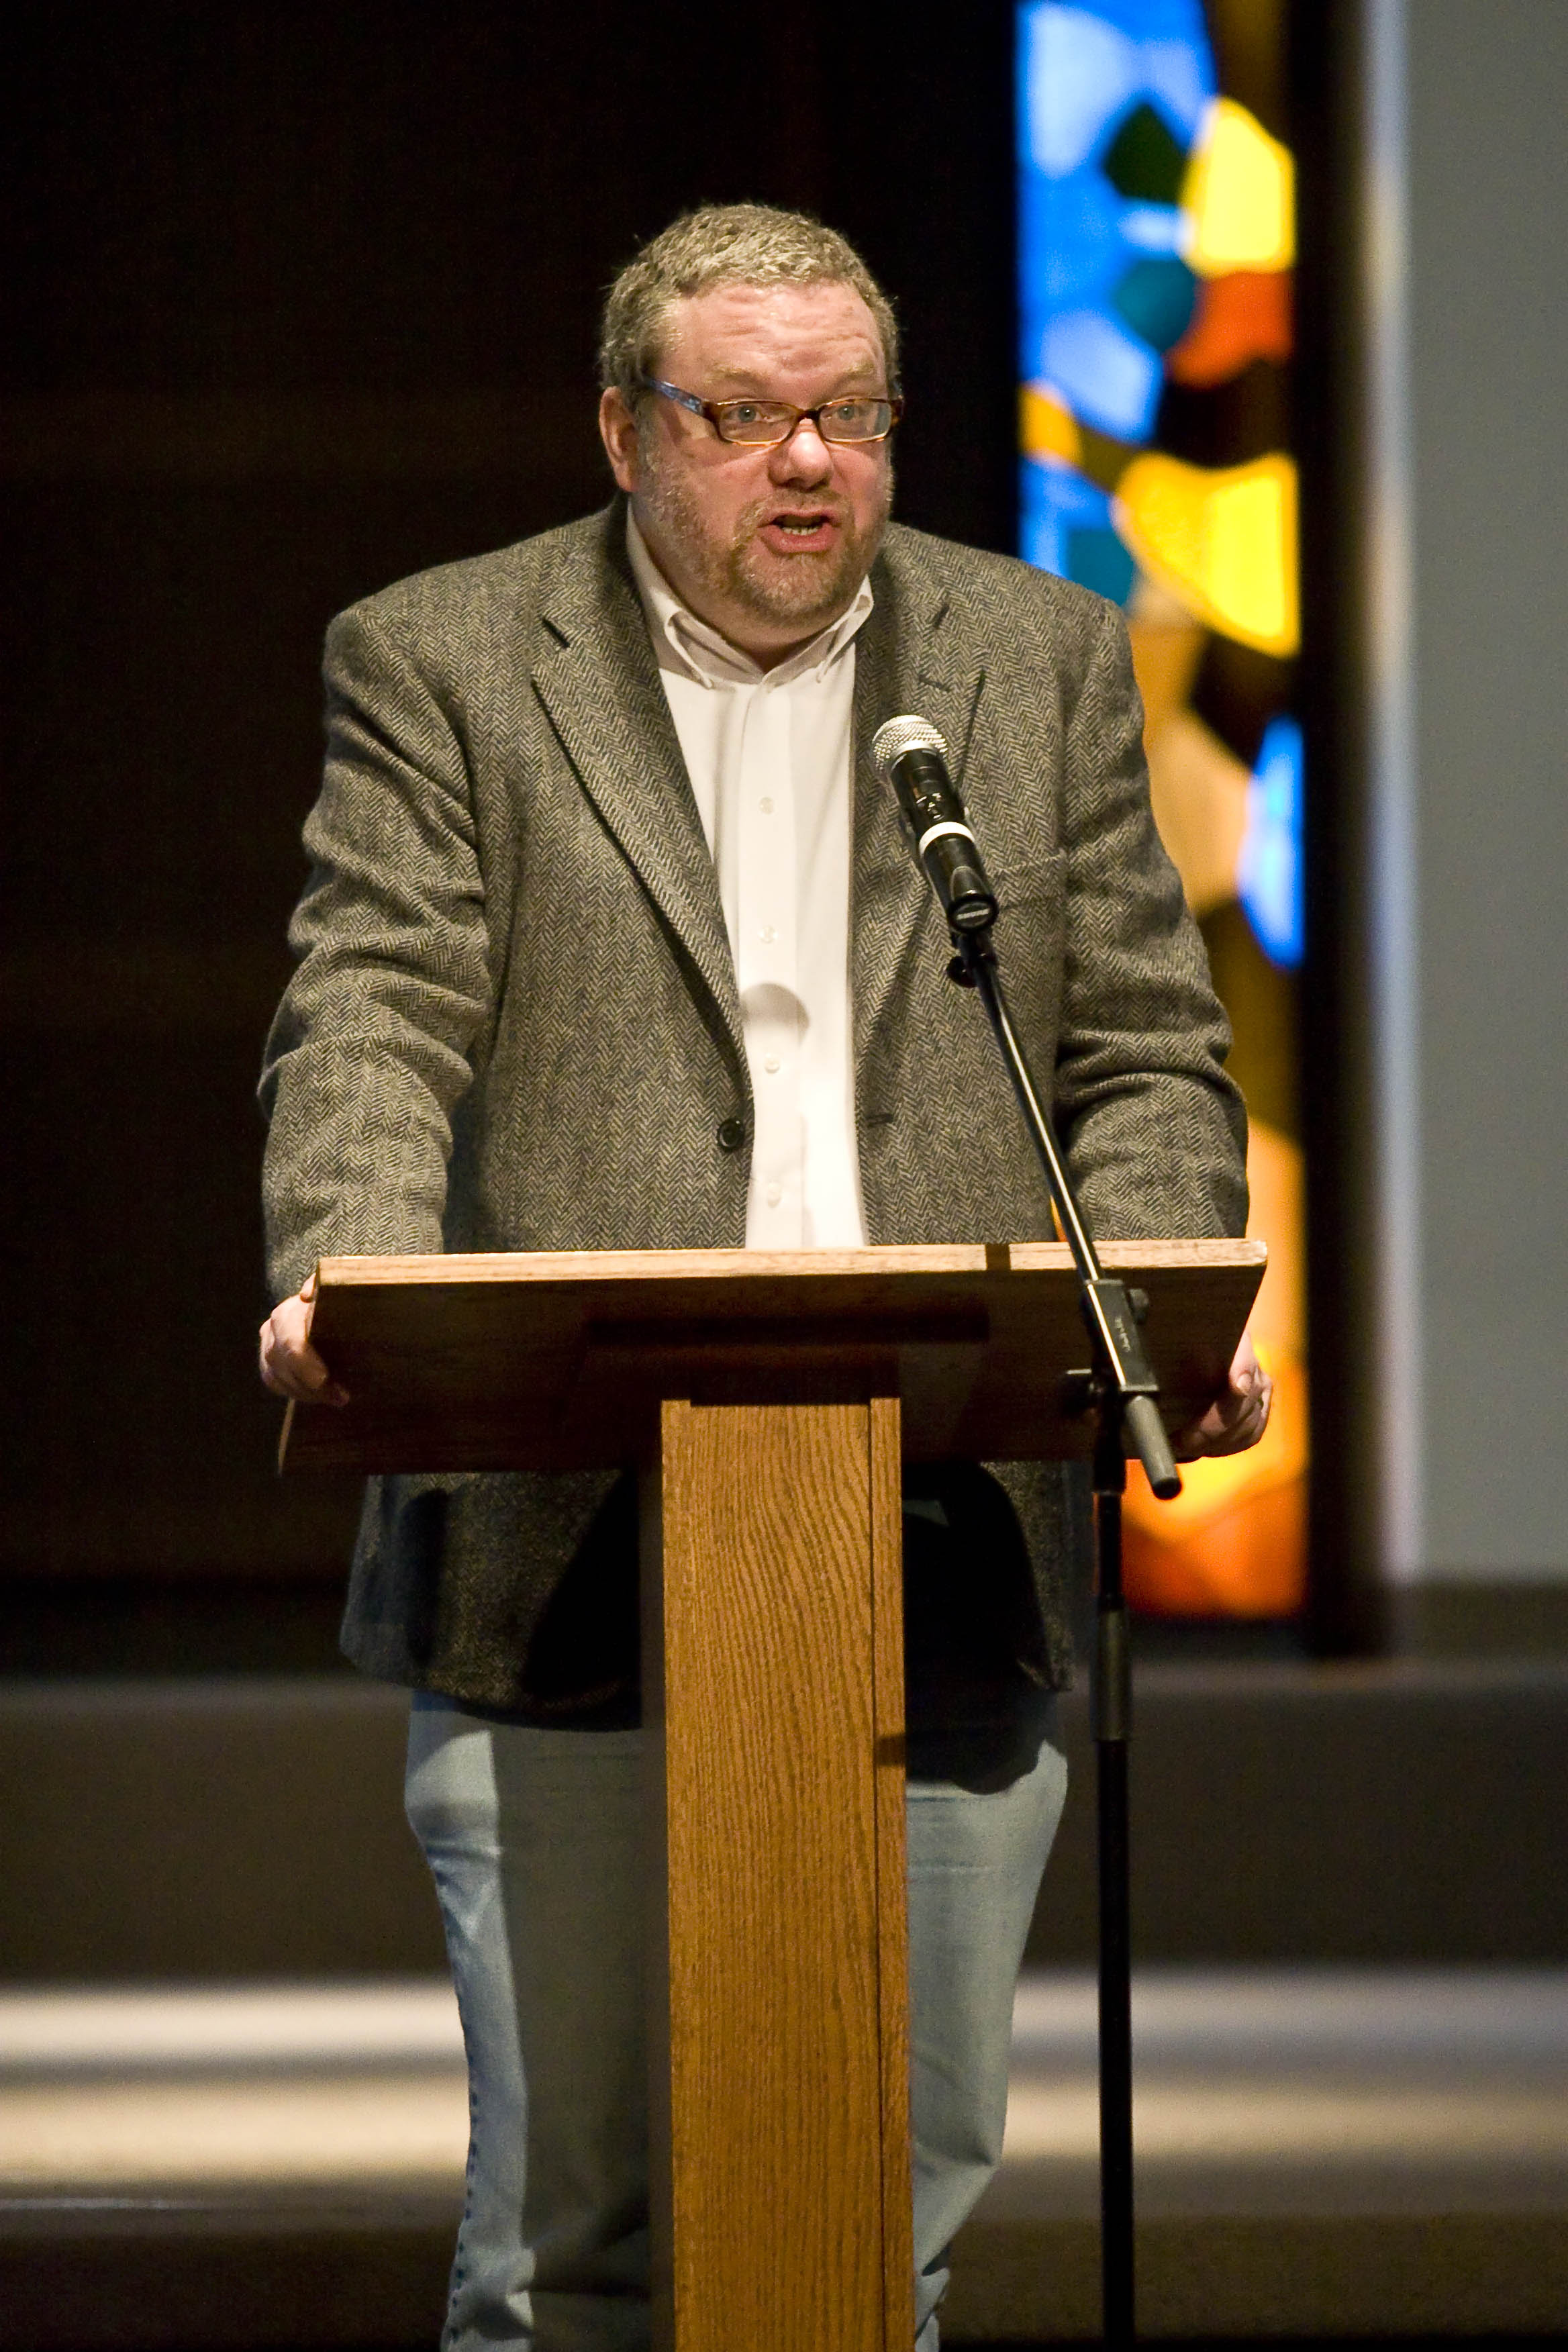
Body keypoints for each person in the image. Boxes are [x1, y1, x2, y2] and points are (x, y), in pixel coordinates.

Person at [258, 204, 1269, 2351]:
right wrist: (338, 1266)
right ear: (628, 431)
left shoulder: (1036, 657)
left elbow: (1137, 1052)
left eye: (848, 416)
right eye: (745, 417)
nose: (805, 463)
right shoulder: (444, 657)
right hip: (562, 1549)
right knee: (574, 2257)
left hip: (950, 1539)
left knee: (856, 2249)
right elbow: (373, 1008)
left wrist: (1162, 1300)